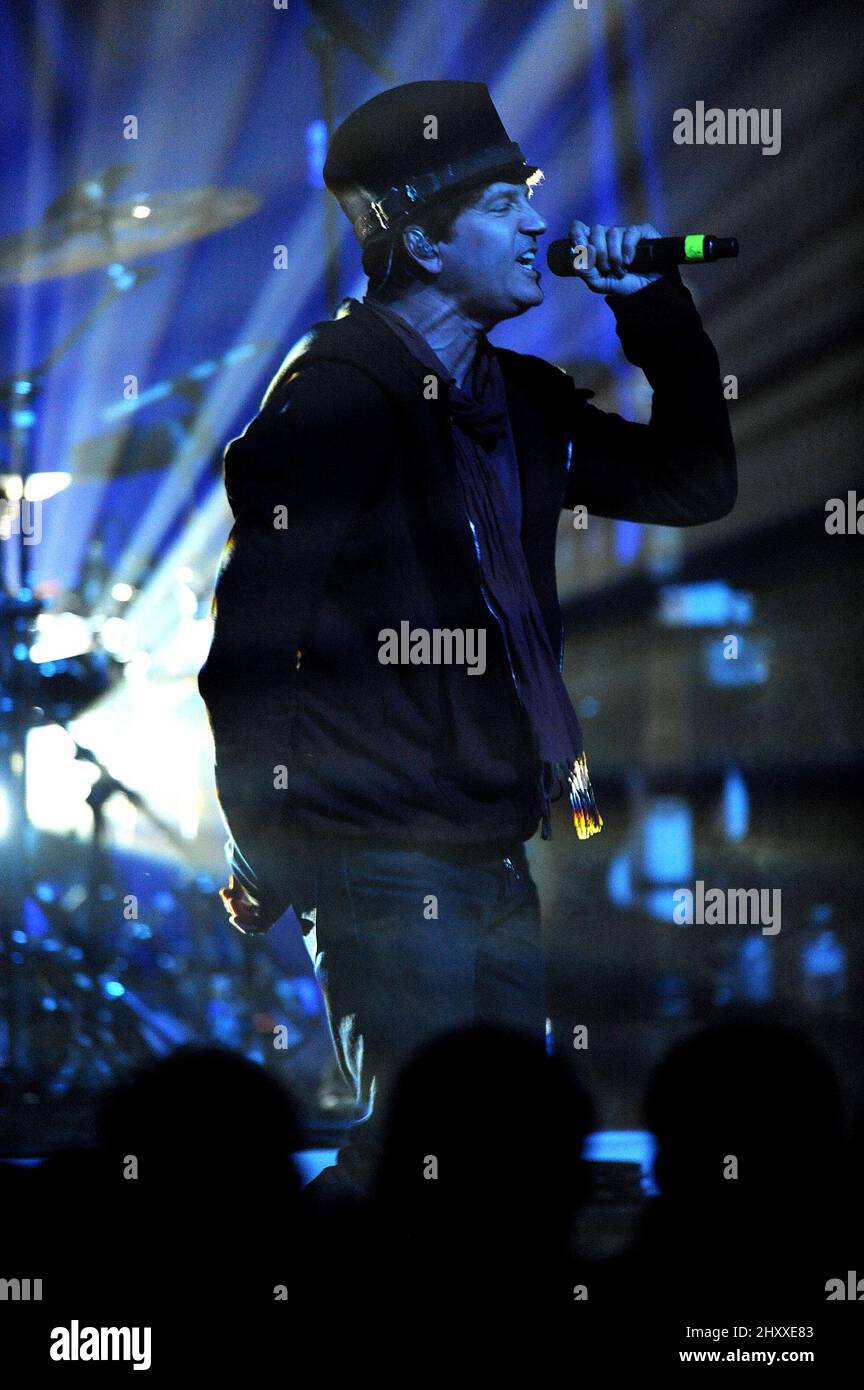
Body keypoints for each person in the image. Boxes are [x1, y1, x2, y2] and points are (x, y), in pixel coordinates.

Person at [197, 80, 737, 1197]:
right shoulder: (339, 398)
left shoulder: (519, 401)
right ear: (422, 235)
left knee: (492, 1156)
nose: (540, 223)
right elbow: (251, 645)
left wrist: (658, 311)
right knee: (420, 1155)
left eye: (529, 197)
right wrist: (267, 844)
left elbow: (692, 486)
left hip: (490, 840)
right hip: (378, 845)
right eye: (502, 203)